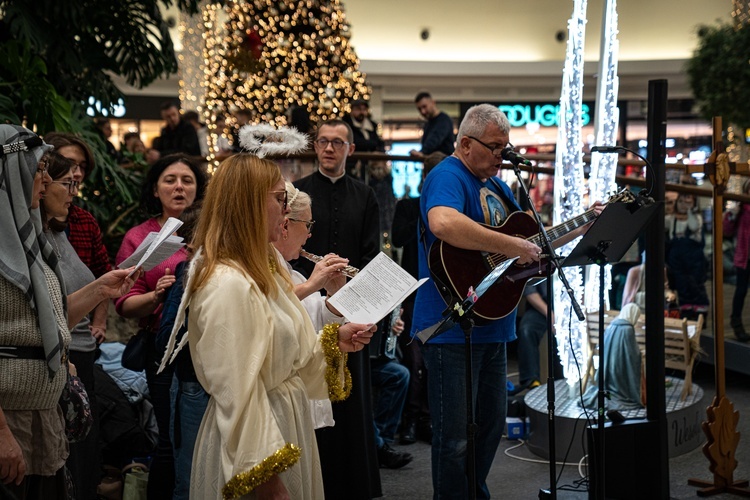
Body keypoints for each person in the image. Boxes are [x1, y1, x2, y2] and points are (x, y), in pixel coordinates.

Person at [158, 152, 375, 499]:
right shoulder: (227, 282)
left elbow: (279, 354)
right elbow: (237, 391)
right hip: (255, 443)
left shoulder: (264, 269)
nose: (286, 210)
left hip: (284, 420)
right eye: (279, 199)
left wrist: (335, 341)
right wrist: (267, 479)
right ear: (249, 205)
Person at [411, 104, 597, 498]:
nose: (501, 155)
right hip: (451, 327)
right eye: (494, 147)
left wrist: (586, 220)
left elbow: (529, 246)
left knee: (489, 429)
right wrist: (511, 244)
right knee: (455, 437)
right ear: (464, 143)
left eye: (504, 147)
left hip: (493, 323)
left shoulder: (495, 185)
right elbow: (442, 222)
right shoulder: (447, 175)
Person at [0, 124, 139, 500]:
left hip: (43, 412)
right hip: (10, 418)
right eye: (39, 169)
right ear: (12, 174)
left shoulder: (33, 241)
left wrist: (99, 288)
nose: (47, 180)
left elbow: (52, 318)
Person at [293, 119, 382, 499]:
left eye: (338, 143)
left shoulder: (366, 195)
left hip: (352, 310)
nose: (329, 149)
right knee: (312, 393)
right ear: (315, 147)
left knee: (352, 397)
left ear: (350, 149)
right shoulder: (296, 193)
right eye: (323, 142)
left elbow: (370, 257)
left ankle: (354, 485)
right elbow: (288, 253)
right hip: (305, 307)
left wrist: (348, 299)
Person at [115, 153, 207, 499]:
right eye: (170, 180)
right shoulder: (140, 236)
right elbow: (123, 303)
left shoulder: (210, 229)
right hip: (163, 349)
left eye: (187, 180)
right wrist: (156, 297)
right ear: (155, 188)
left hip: (209, 348)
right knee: (171, 440)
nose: (179, 187)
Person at [39, 151, 105, 500]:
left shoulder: (60, 230)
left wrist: (103, 291)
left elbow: (58, 313)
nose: (72, 192)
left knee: (78, 462)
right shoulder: (28, 240)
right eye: (67, 183)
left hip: (75, 356)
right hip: (47, 369)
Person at [391, 151, 445, 445]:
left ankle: (427, 418)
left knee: (435, 358)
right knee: (413, 359)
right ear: (427, 178)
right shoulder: (409, 206)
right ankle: (411, 419)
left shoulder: (452, 207)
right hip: (413, 289)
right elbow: (397, 239)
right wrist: (425, 212)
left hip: (442, 291)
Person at [582, 304, 644, 410]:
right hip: (619, 371)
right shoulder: (627, 329)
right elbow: (632, 356)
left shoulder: (612, 325)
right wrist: (640, 354)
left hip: (607, 367)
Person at [665, 179, 709, 319]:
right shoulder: (671, 219)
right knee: (682, 290)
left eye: (688, 201)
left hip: (694, 262)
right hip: (677, 263)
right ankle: (686, 316)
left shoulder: (696, 218)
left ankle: (699, 318)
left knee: (696, 288)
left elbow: (694, 226)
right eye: (682, 201)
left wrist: (690, 210)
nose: (684, 204)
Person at [723, 178, 750, 342]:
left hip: (744, 256)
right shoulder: (741, 209)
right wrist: (731, 215)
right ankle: (736, 323)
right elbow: (726, 230)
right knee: (741, 291)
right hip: (744, 257)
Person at [343, 98, 385, 179]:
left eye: (364, 109)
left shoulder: (372, 126)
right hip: (353, 165)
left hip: (371, 167)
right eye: (358, 109)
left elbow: (379, 142)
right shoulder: (346, 125)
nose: (361, 112)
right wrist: (371, 145)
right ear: (352, 110)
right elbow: (356, 142)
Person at [409, 92, 455, 159]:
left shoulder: (444, 120)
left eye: (424, 106)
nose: (422, 111)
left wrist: (422, 152)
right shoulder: (428, 124)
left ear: (433, 103)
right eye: (419, 109)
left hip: (444, 164)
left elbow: (435, 140)